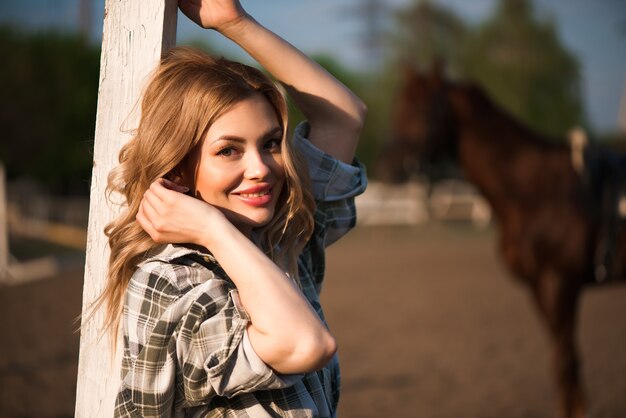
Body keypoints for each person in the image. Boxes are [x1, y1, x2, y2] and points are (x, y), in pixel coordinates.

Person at [99, 0, 367, 416]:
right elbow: (304, 344)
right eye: (229, 150)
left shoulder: (281, 238)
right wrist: (212, 229)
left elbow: (344, 117)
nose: (261, 168)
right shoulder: (174, 280)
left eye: (270, 143)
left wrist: (233, 22)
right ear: (181, 170)